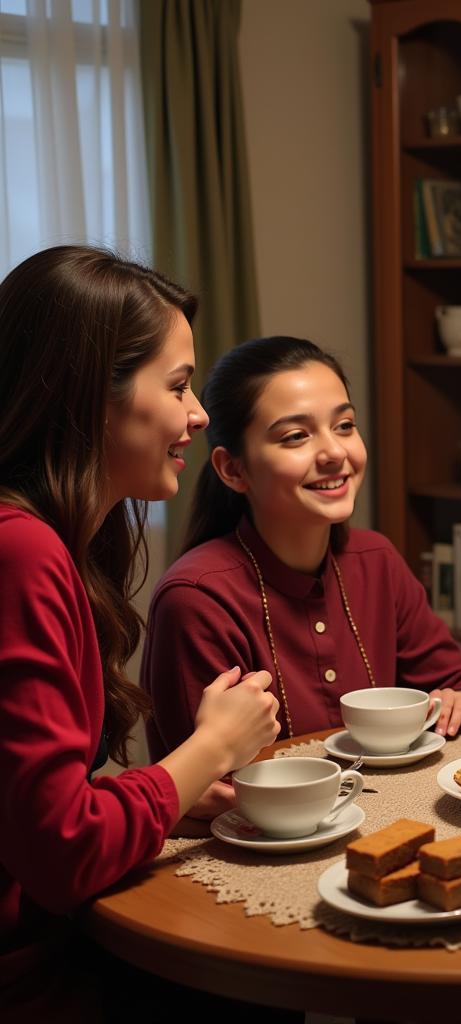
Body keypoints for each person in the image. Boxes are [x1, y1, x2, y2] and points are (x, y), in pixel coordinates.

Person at [0, 246, 281, 1019]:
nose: (197, 414)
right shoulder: (23, 554)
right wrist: (210, 750)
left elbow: (31, 810)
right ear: (93, 395)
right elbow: (59, 856)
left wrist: (159, 794)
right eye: (179, 385)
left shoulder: (48, 544)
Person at [141, 335, 461, 794]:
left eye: (345, 425)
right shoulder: (197, 597)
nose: (334, 453)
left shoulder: (376, 561)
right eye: (296, 436)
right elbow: (204, 792)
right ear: (233, 470)